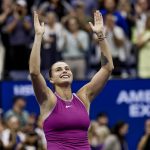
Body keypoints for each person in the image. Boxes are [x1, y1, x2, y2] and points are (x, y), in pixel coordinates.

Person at [29, 10, 114, 150]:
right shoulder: (48, 100)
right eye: (59, 69)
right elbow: (34, 72)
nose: (64, 71)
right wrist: (39, 36)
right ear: (51, 79)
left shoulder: (83, 97)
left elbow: (107, 68)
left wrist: (100, 35)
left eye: (67, 68)